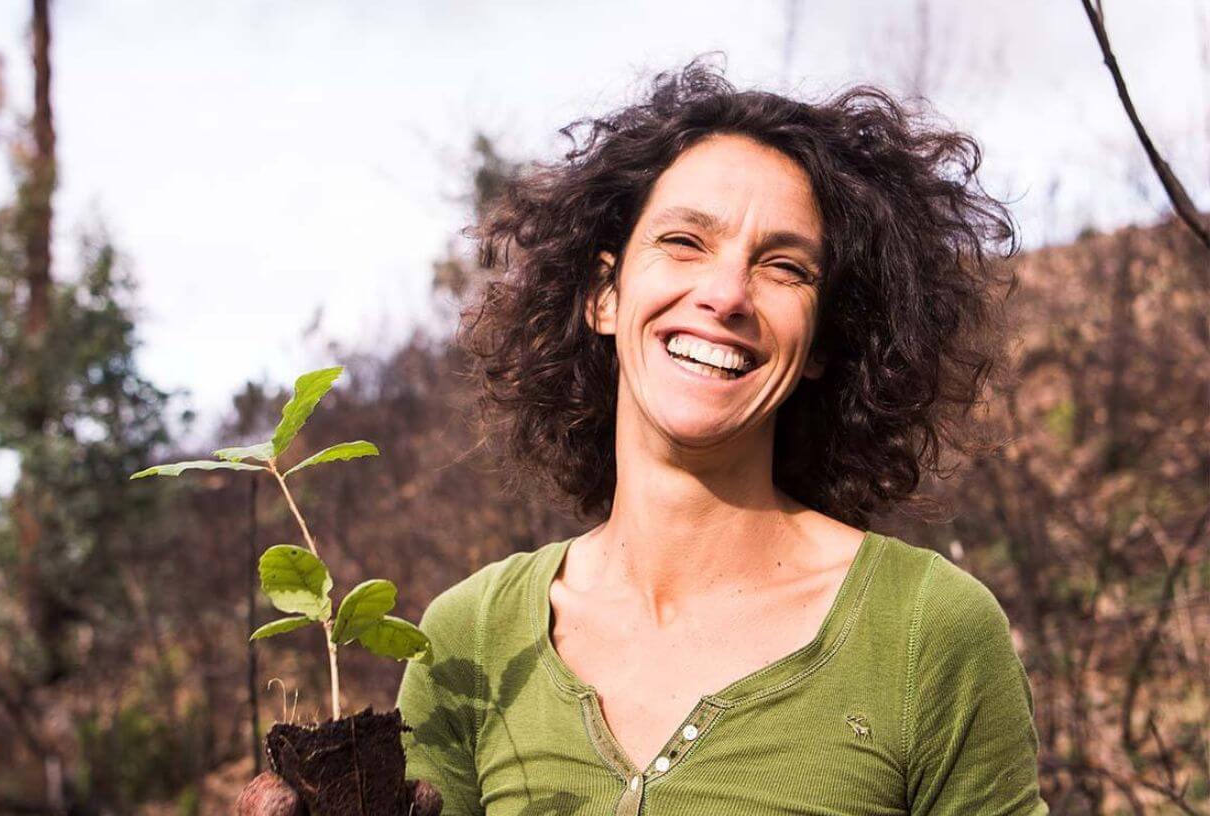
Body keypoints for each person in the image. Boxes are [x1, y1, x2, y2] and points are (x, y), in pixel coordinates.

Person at [397, 56, 1048, 816]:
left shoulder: (926, 632)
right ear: (604, 295)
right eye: (684, 241)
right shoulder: (470, 639)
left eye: (784, 267)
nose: (726, 293)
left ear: (822, 344)